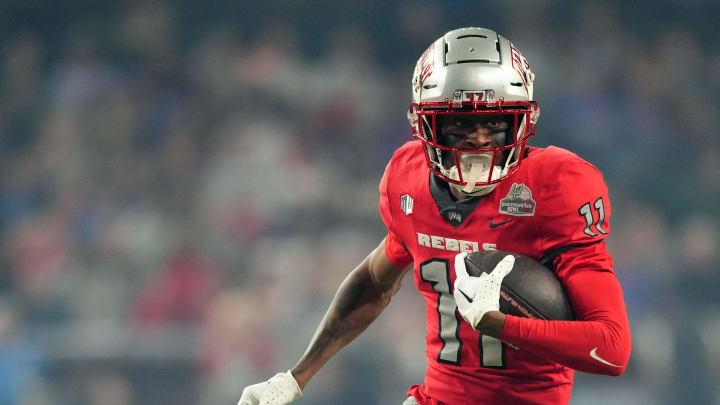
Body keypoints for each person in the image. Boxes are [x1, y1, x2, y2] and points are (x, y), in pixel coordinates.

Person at [237, 27, 632, 405]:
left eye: (495, 122)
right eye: (459, 123)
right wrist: (296, 376)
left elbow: (612, 349)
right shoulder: (407, 179)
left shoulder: (554, 185)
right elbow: (375, 282)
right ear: (424, 122)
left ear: (523, 121)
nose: (478, 139)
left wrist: (501, 324)